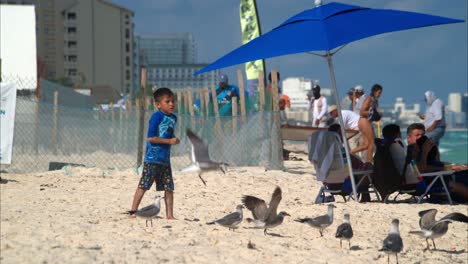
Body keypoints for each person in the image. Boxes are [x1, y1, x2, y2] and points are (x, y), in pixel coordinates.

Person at [129, 87, 180, 220]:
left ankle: (170, 215)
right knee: (144, 185)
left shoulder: (173, 118)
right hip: (152, 159)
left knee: (169, 187)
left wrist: (174, 139)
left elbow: (167, 133)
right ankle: (133, 212)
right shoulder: (156, 117)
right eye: (167, 101)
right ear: (158, 105)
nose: (171, 104)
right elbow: (151, 137)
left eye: (172, 101)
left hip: (165, 160)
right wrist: (169, 141)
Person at [357, 84, 383, 163]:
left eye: (381, 93)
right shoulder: (369, 99)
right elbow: (361, 112)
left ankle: (351, 153)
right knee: (371, 142)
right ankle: (369, 162)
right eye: (379, 92)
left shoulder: (375, 101)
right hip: (364, 121)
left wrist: (378, 114)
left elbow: (376, 112)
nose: (380, 94)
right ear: (374, 92)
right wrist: (371, 113)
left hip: (368, 122)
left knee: (367, 144)